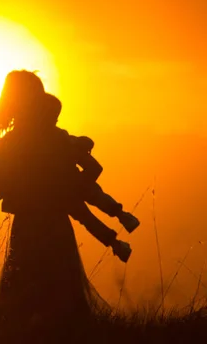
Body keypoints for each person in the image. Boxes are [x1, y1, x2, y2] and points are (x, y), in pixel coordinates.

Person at [0, 70, 108, 334]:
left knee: (23, 284)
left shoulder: (9, 144)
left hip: (27, 221)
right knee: (61, 282)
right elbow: (92, 170)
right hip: (56, 219)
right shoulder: (61, 139)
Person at [36, 93, 140, 263]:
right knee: (93, 204)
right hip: (73, 187)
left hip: (65, 192)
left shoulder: (50, 139)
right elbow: (94, 166)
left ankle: (117, 241)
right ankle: (122, 222)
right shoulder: (63, 138)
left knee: (87, 218)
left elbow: (93, 166)